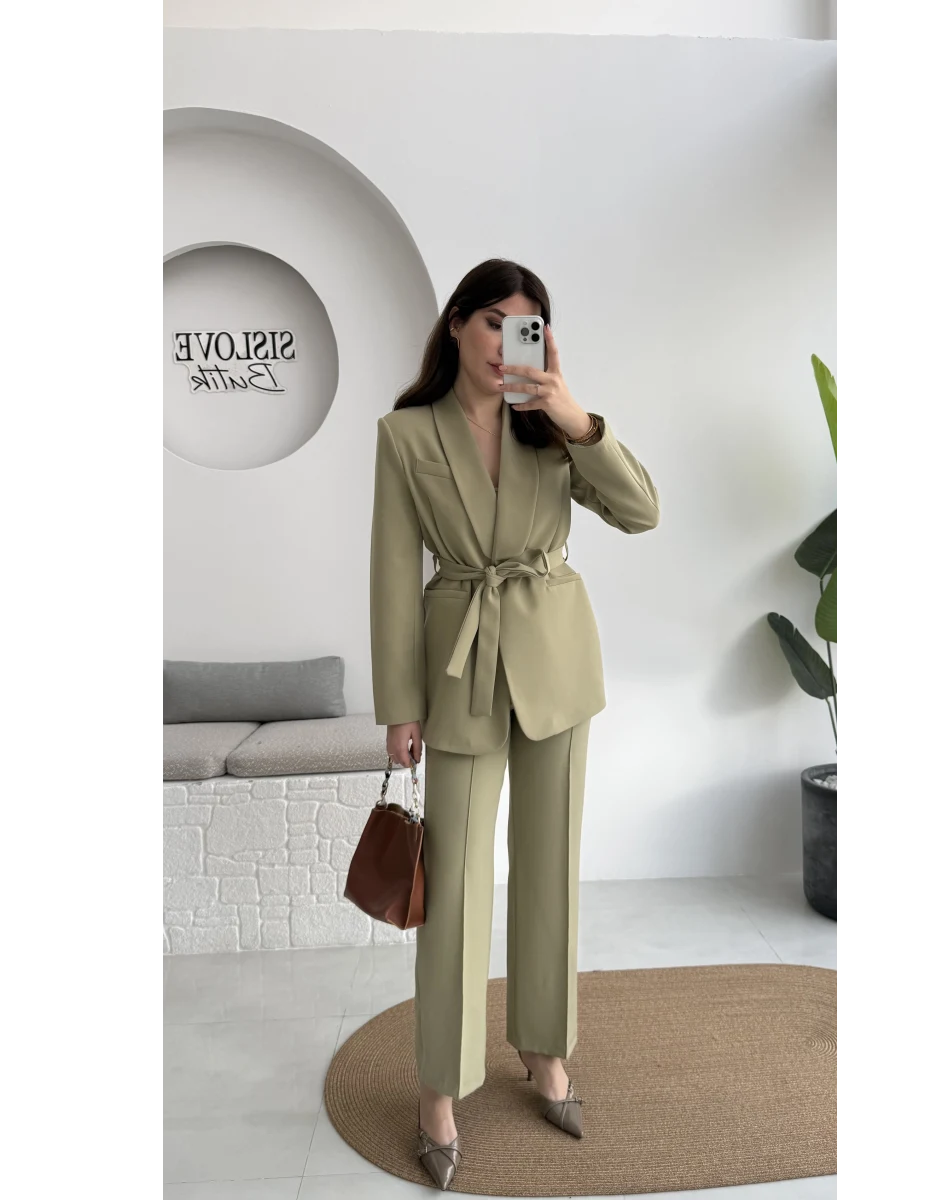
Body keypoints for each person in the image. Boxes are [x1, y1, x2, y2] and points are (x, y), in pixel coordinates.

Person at [369, 257, 659, 1189]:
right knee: (453, 888)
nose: (506, 341)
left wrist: (577, 418)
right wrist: (399, 705)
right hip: (459, 671)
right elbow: (392, 573)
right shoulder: (405, 434)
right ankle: (440, 1090)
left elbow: (642, 512)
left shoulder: (552, 427)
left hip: (556, 665)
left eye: (526, 324)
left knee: (549, 870)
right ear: (457, 323)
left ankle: (545, 1051)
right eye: (494, 320)